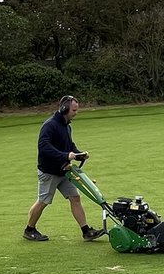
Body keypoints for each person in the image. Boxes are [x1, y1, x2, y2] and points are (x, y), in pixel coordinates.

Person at [24, 95, 106, 243]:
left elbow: (69, 146)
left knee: (75, 198)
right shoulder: (50, 125)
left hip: (64, 170)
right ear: (64, 109)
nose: (76, 113)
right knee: (43, 201)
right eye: (74, 110)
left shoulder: (67, 125)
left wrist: (78, 154)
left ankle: (86, 231)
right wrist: (66, 155)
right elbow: (44, 147)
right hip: (49, 172)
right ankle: (29, 229)